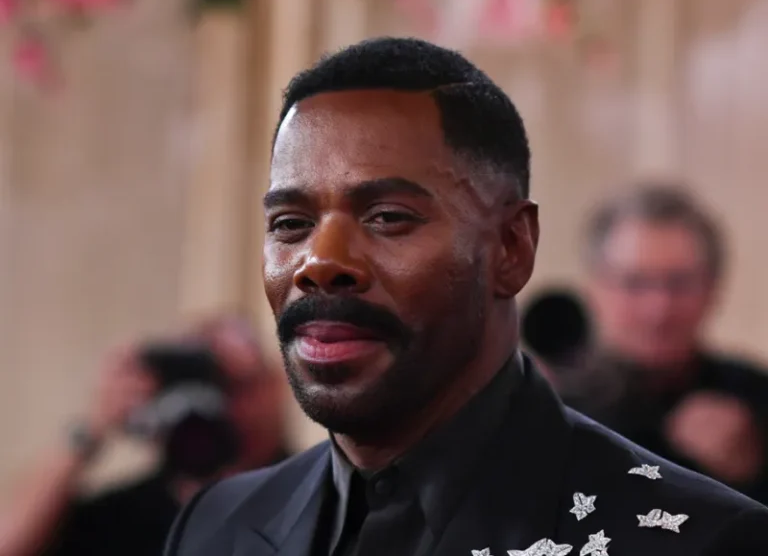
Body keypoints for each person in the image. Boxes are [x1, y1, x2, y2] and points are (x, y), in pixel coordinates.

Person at [164, 38, 768, 556]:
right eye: (290, 224)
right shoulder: (216, 526)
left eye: (387, 217)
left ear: (511, 248)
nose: (320, 263)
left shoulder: (700, 539)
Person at [0, 315, 290, 556]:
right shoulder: (119, 521)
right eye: (196, 384)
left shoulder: (309, 495)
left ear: (275, 386)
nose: (218, 403)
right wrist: (93, 426)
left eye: (234, 385)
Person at [562, 184, 768, 504]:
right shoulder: (551, 402)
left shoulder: (753, 399)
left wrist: (754, 469)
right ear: (595, 287)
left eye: (680, 283)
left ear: (713, 288)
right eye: (634, 283)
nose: (658, 309)